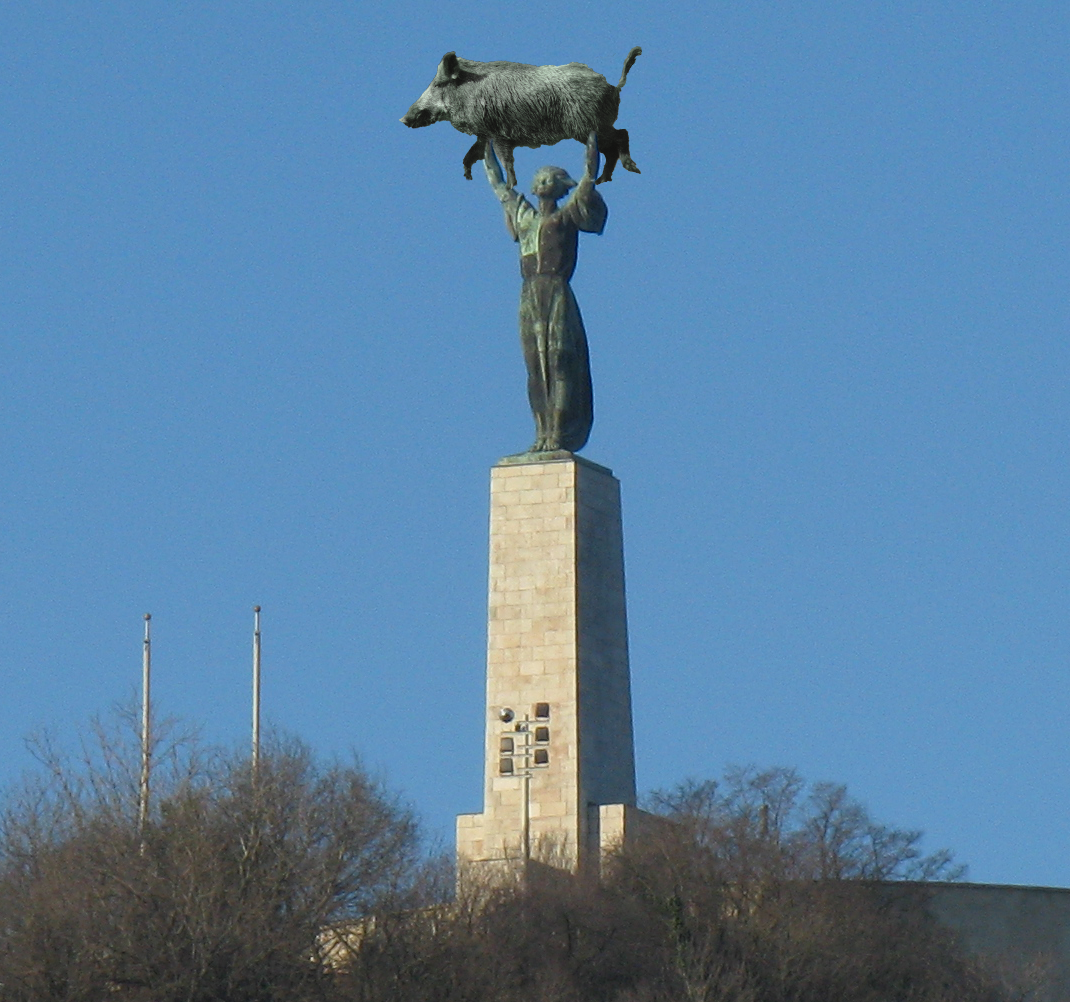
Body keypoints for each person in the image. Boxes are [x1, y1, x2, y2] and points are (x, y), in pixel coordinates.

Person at [485, 133, 607, 453]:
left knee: (560, 361)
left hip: (556, 290)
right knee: (535, 367)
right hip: (529, 293)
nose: (541, 182)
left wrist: (592, 138)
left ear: (560, 186)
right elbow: (497, 181)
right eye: (539, 179)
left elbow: (589, 178)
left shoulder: (566, 216)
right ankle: (541, 432)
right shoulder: (524, 215)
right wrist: (485, 139)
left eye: (548, 178)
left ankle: (558, 433)